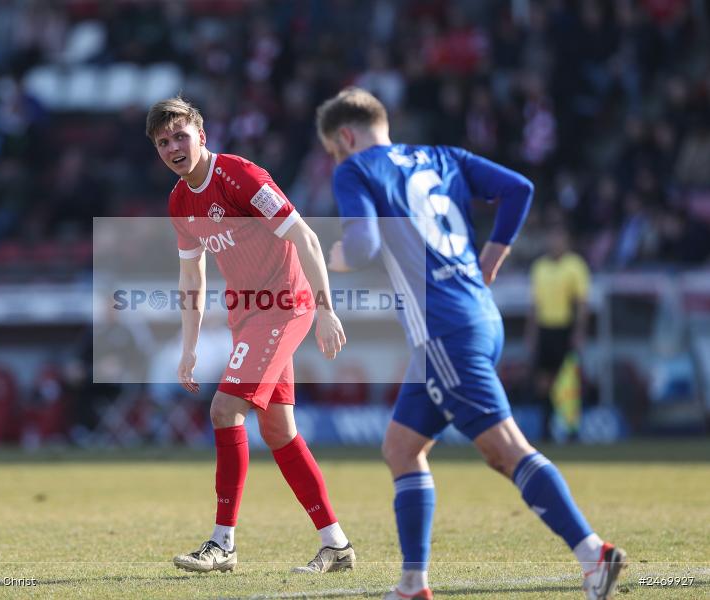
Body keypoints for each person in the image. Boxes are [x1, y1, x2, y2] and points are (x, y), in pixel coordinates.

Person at [317, 87, 625, 600]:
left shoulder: (356, 169)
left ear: (345, 136)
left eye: (332, 150)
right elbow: (520, 188)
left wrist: (338, 256)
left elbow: (365, 245)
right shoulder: (445, 157)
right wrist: (490, 263)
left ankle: (594, 553)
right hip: (481, 317)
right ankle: (413, 584)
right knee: (401, 447)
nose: (335, 160)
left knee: (506, 450)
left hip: (444, 333)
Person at [146, 96, 354, 573]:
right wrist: (189, 346)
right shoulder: (180, 201)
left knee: (224, 409)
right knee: (278, 429)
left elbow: (306, 237)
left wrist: (324, 309)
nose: (174, 147)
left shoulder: (239, 176)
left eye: (181, 135)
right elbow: (191, 277)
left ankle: (223, 544)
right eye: (163, 142)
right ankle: (336, 544)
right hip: (248, 317)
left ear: (202, 134)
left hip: (284, 307)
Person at [526, 223, 590, 441]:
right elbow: (535, 305)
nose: (555, 243)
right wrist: (531, 333)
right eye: (552, 238)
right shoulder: (539, 267)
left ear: (567, 241)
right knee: (544, 381)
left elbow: (581, 303)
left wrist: (579, 331)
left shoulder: (575, 266)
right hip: (545, 329)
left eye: (559, 238)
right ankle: (547, 428)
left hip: (565, 328)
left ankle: (572, 431)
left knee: (568, 382)